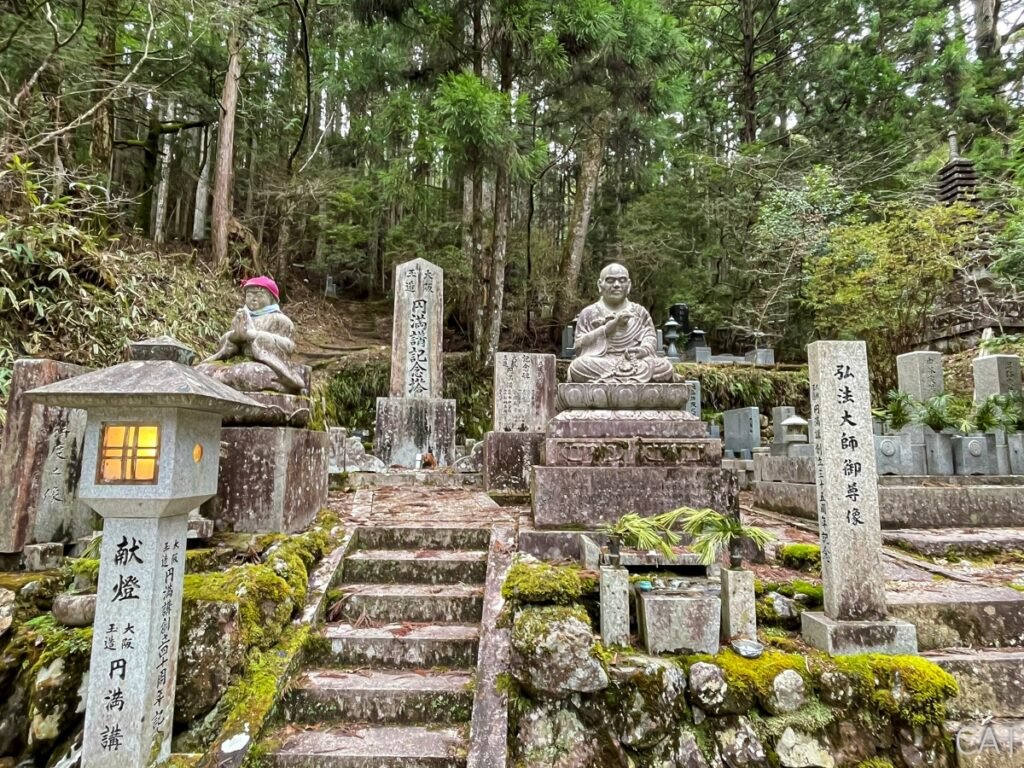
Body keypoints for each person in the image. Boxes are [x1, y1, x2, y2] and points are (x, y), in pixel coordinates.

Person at [568, 263, 677, 384]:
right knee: (578, 366)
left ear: (629, 285)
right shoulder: (589, 313)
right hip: (602, 362)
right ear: (600, 285)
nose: (616, 285)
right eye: (610, 280)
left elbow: (649, 337)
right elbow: (578, 347)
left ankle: (613, 382)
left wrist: (644, 350)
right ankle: (631, 382)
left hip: (635, 362)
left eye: (622, 280)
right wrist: (606, 329)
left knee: (665, 366)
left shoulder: (640, 312)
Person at [203, 276, 306, 394]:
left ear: (271, 298)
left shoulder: (280, 320)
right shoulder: (241, 316)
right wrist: (233, 337)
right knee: (204, 370)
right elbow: (225, 343)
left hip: (267, 365)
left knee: (245, 373)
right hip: (237, 360)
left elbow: (289, 347)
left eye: (259, 295)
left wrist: (256, 336)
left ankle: (278, 384)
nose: (253, 298)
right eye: (249, 295)